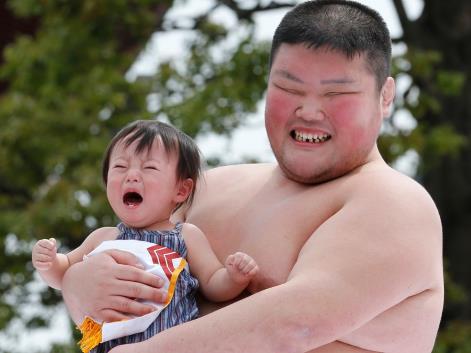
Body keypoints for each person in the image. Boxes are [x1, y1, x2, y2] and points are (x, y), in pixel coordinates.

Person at [61, 1, 444, 352]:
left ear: (385, 95)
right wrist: (76, 287)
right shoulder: (212, 187)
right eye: (289, 87)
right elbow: (124, 304)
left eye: (336, 94)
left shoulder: (394, 203)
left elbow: (295, 322)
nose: (309, 111)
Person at [31, 120, 258, 353]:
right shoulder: (104, 237)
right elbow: (63, 275)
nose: (131, 176)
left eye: (149, 168)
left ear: (181, 190)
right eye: (120, 167)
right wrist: (49, 262)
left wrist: (234, 278)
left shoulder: (185, 236)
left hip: (170, 344)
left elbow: (212, 283)